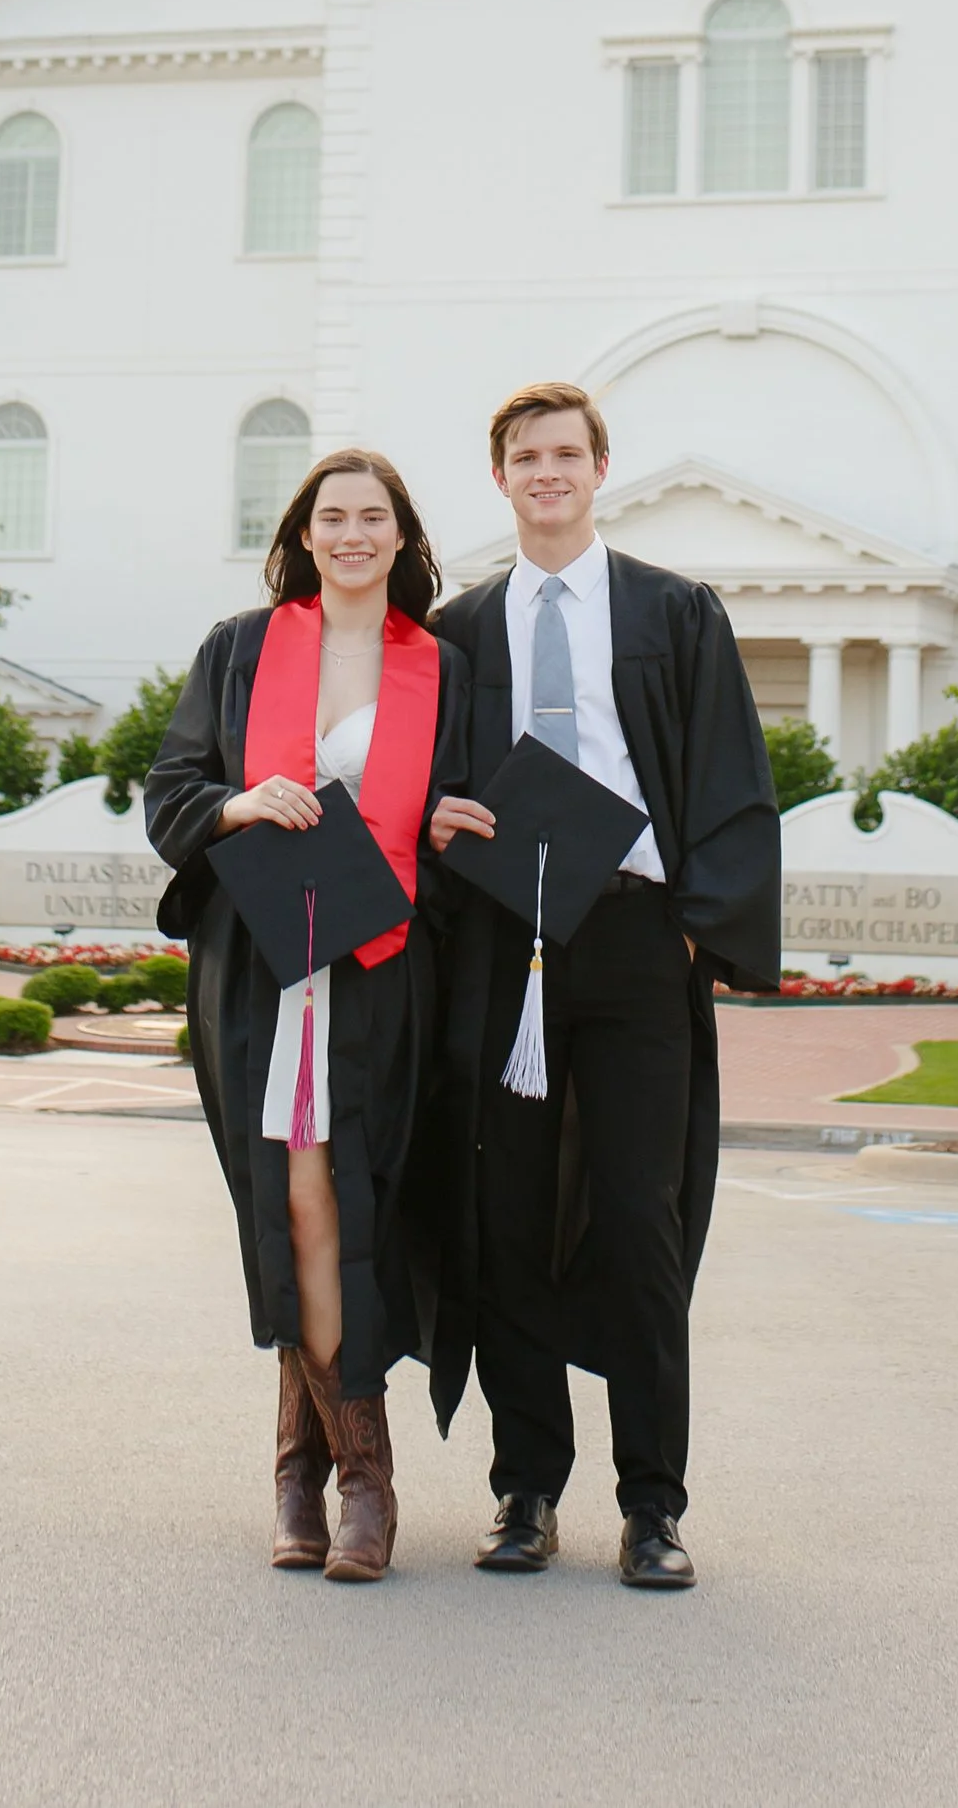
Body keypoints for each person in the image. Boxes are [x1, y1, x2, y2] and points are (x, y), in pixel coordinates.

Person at [426, 382, 779, 1593]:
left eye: (565, 454)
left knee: (640, 1216)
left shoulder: (673, 613)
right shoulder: (459, 630)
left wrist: (691, 931)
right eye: (525, 457)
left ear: (599, 467)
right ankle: (525, 1490)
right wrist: (437, 822)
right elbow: (424, 785)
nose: (546, 473)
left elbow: (732, 777)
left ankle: (652, 1504)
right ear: (501, 477)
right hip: (506, 942)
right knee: (509, 1214)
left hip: (632, 942)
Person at [147, 448, 469, 1583]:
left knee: (343, 1194)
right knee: (290, 1195)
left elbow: (456, 806)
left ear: (400, 538)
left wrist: (443, 827)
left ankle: (314, 1471)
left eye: (371, 517)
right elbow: (170, 789)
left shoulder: (439, 666)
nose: (350, 534)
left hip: (379, 967)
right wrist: (239, 803)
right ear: (302, 533)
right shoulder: (241, 649)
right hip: (264, 961)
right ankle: (353, 1478)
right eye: (331, 516)